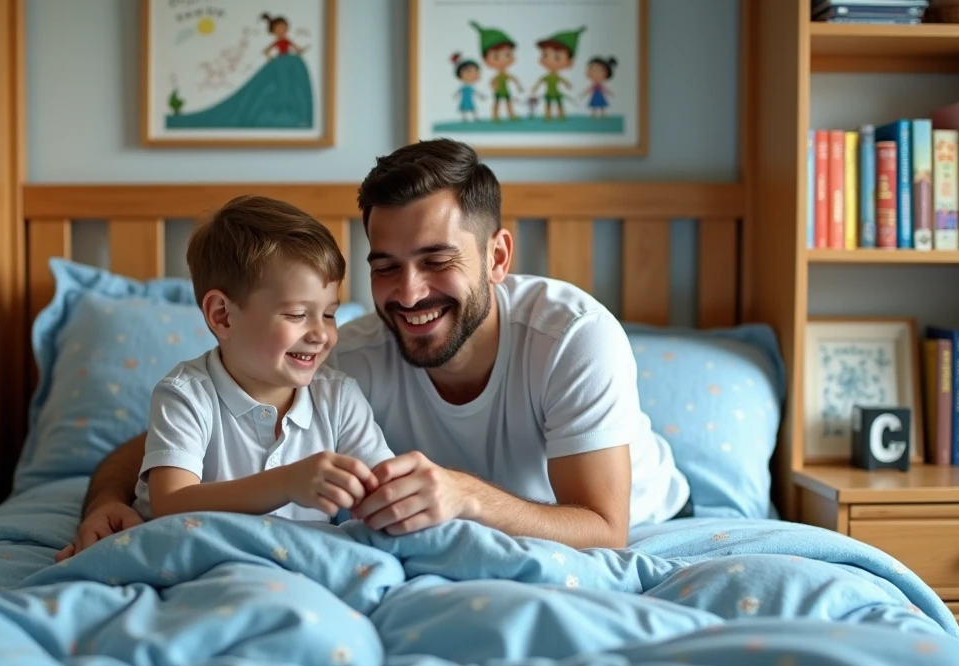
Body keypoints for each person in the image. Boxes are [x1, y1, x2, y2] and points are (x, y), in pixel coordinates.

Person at [62, 138, 691, 559]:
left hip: (635, 520)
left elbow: (606, 530)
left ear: (497, 256)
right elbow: (174, 443)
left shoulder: (571, 339)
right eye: (386, 266)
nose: (409, 294)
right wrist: (110, 503)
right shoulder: (340, 362)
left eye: (437, 260)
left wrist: (466, 495)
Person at [54, 196, 394, 561]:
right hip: (199, 557)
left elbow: (380, 483)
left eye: (328, 314)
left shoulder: (339, 397)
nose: (320, 334)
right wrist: (287, 483)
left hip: (301, 563)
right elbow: (172, 503)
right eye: (297, 314)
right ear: (222, 316)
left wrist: (388, 491)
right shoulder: (185, 395)